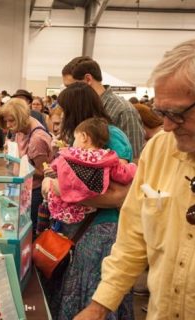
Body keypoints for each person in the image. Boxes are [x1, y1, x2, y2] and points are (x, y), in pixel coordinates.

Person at [74, 39, 195, 320]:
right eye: (162, 113)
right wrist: (100, 306)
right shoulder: (161, 148)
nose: (168, 126)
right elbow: (133, 236)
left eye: (178, 114)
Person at [45, 82, 134, 320]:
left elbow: (120, 194)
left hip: (99, 230)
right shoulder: (76, 138)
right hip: (77, 231)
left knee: (96, 298)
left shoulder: (112, 136)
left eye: (64, 111)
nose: (61, 117)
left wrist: (62, 190)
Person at [42, 118, 136, 224]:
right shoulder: (107, 157)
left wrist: (51, 170)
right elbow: (122, 174)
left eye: (75, 138)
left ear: (84, 137)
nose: (73, 142)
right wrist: (133, 168)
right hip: (93, 206)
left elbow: (56, 166)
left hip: (68, 206)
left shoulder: (70, 154)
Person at [62, 56, 145, 159]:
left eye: (70, 87)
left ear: (88, 79)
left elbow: (136, 158)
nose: (66, 93)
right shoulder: (76, 108)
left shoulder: (124, 111)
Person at [0, 98, 54, 234]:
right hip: (24, 188)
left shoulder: (37, 139)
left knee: (29, 231)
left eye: (11, 121)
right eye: (6, 121)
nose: (8, 125)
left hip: (35, 192)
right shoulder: (21, 128)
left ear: (21, 117)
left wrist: (20, 162)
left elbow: (44, 172)